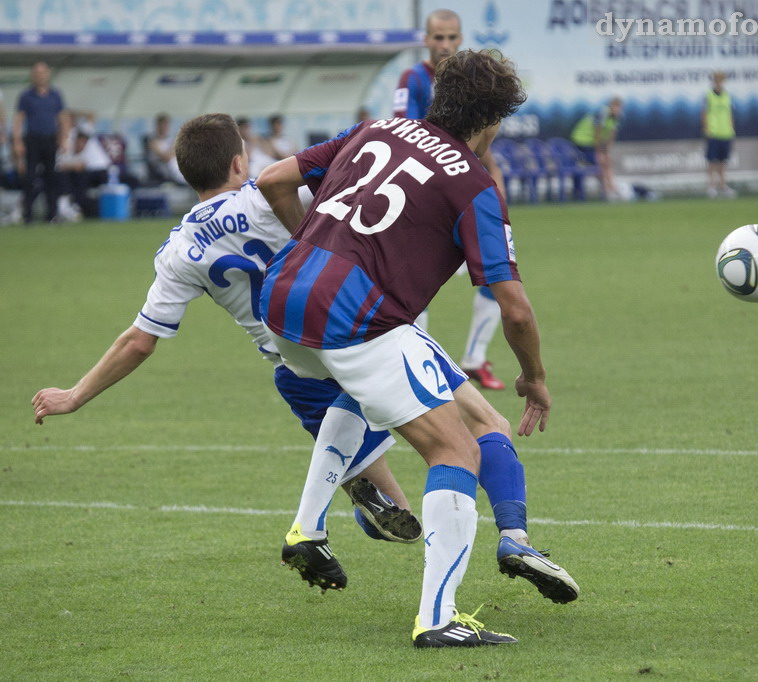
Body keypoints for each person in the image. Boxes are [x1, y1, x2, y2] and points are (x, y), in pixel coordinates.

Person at [258, 49, 578, 648]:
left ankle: (310, 521)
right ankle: (438, 618)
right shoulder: (473, 181)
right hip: (357, 316)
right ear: (490, 121)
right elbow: (515, 308)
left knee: (358, 392)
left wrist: (312, 244)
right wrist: (534, 376)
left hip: (281, 298)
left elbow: (274, 179)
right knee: (458, 448)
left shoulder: (376, 129)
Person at [31, 113, 423, 578]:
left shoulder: (180, 248)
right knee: (446, 443)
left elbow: (139, 341)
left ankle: (354, 500)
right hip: (351, 341)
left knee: (392, 513)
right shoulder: (273, 192)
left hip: (295, 370)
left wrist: (75, 394)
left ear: (185, 172)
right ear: (240, 162)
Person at [392, 8, 507, 391]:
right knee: (418, 282)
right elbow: (406, 133)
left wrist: (496, 185)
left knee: (496, 276)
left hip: (464, 198)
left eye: (451, 37)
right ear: (426, 40)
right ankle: (411, 363)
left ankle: (474, 358)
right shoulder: (414, 79)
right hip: (427, 204)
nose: (444, 45)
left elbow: (479, 144)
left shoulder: (470, 83)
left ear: (460, 38)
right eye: (438, 38)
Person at [12, 61, 70, 223]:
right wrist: (17, 141)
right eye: (37, 73)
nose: (40, 76)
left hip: (50, 139)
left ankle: (52, 214)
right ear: (33, 76)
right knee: (30, 177)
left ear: (48, 75)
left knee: (51, 178)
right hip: (33, 139)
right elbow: (19, 119)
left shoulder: (55, 95)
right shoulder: (26, 95)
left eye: (43, 73)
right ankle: (28, 215)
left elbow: (62, 117)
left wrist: (64, 139)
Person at [569, 96, 622, 200]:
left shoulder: (617, 117)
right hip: (582, 140)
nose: (617, 109)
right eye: (615, 107)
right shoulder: (603, 113)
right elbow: (597, 133)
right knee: (599, 162)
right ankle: (606, 190)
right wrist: (599, 151)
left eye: (619, 107)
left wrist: (606, 150)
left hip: (592, 142)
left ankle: (611, 188)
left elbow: (611, 135)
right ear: (611, 106)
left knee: (607, 160)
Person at [702, 71, 736, 198]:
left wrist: (732, 128)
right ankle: (711, 186)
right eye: (717, 80)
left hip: (726, 132)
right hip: (713, 132)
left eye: (721, 80)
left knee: (723, 161)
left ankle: (722, 185)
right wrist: (706, 128)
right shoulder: (708, 95)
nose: (719, 82)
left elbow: (730, 112)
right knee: (712, 161)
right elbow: (704, 113)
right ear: (713, 81)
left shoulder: (727, 95)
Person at [145, 113, 185, 185]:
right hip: (160, 166)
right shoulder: (152, 140)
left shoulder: (171, 139)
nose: (163, 127)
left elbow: (176, 153)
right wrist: (171, 153)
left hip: (172, 164)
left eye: (165, 125)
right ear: (157, 126)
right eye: (161, 125)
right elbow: (166, 157)